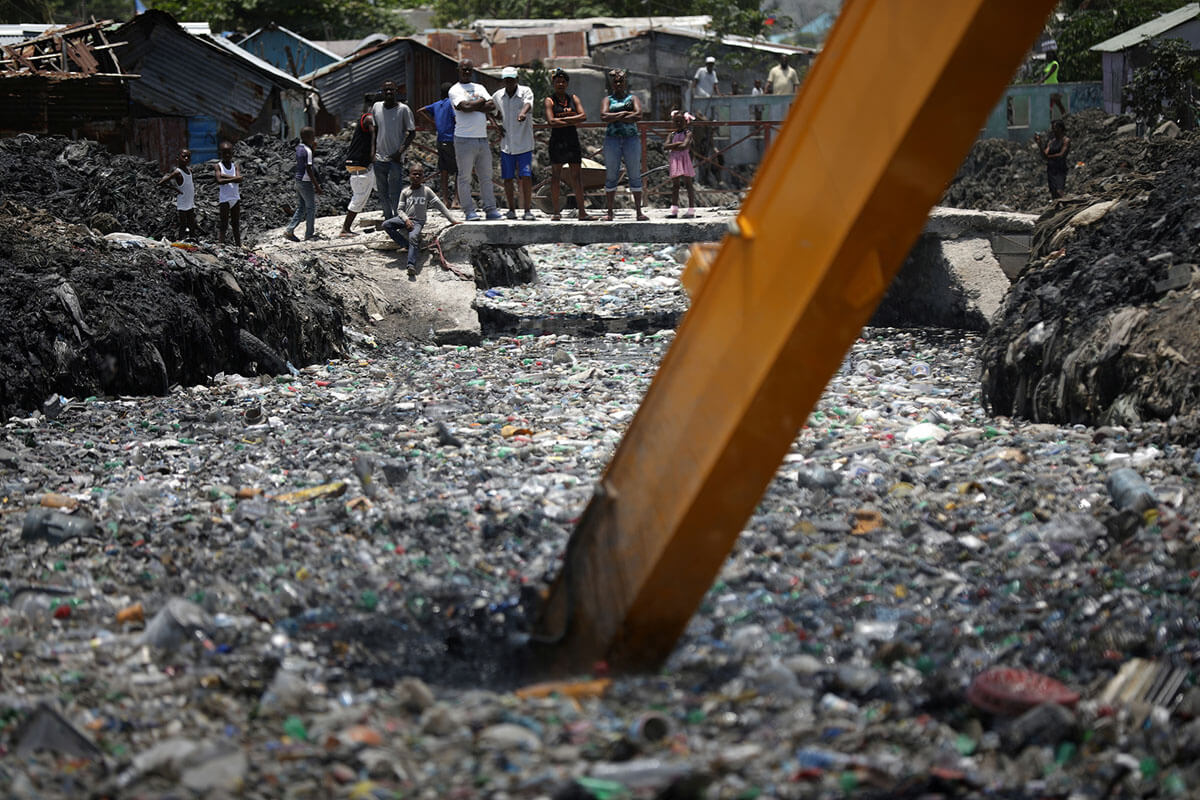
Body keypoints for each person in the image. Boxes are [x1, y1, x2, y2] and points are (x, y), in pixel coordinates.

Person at [448, 58, 502, 221]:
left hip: (482, 138)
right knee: (465, 177)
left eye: (469, 70)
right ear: (458, 70)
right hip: (464, 139)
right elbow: (463, 107)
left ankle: (490, 209)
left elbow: (491, 105)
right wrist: (479, 103)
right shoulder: (454, 90)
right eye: (463, 69)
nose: (466, 72)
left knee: (486, 176)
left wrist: (473, 105)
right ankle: (469, 210)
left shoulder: (480, 87)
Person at [382, 164, 459, 276]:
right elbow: (399, 210)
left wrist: (452, 220)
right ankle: (406, 245)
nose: (417, 176)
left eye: (420, 174)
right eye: (414, 174)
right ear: (410, 176)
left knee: (413, 237)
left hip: (418, 221)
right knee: (386, 225)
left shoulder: (427, 191)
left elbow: (440, 206)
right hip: (404, 219)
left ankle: (411, 265)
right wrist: (406, 220)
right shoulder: (405, 192)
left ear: (423, 176)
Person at [543, 67, 595, 221]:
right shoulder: (549, 100)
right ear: (553, 83)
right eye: (557, 81)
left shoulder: (573, 98)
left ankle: (582, 212)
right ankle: (556, 212)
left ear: (567, 83)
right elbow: (551, 121)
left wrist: (563, 120)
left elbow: (583, 116)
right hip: (557, 141)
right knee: (556, 176)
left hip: (572, 140)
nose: (560, 84)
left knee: (577, 176)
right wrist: (572, 118)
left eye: (563, 81)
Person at [601, 68, 648, 222]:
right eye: (616, 82)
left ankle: (639, 212)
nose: (619, 84)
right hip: (612, 140)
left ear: (625, 82)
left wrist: (615, 116)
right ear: (612, 84)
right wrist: (625, 115)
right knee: (611, 175)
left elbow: (638, 115)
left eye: (621, 81)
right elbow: (603, 116)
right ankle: (609, 212)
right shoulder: (608, 99)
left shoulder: (632, 98)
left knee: (634, 174)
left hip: (631, 139)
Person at [491, 66, 536, 220]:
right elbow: (490, 109)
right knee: (508, 178)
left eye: (512, 79)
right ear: (504, 80)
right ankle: (511, 210)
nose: (509, 82)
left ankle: (527, 210)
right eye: (507, 80)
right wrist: (495, 125)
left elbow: (528, 104)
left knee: (526, 177)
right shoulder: (498, 95)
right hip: (507, 144)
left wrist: (523, 114)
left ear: (517, 79)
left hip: (523, 143)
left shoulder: (525, 91)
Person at [372, 80, 416, 220]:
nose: (389, 92)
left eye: (391, 90)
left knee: (395, 192)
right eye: (386, 90)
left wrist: (400, 152)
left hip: (395, 159)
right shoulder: (376, 107)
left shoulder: (403, 109)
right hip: (379, 158)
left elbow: (412, 133)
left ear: (396, 91)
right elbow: (374, 130)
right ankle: (388, 218)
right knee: (382, 191)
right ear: (382, 92)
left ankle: (397, 218)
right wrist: (372, 153)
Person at [340, 94, 376, 237]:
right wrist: (374, 155)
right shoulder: (369, 119)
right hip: (360, 167)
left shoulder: (363, 118)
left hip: (361, 166)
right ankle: (345, 229)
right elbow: (374, 136)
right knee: (359, 198)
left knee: (385, 188)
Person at [418, 83, 458, 209]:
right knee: (459, 170)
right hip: (452, 139)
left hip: (440, 140)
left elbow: (420, 111)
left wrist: (434, 123)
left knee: (444, 170)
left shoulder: (437, 104)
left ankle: (445, 199)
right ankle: (456, 200)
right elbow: (457, 119)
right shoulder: (451, 104)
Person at [285, 126, 323, 241]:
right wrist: (317, 186)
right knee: (311, 208)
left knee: (301, 207)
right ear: (308, 137)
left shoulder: (300, 148)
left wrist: (313, 149)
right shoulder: (308, 150)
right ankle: (309, 234)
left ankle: (289, 230)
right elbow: (309, 169)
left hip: (298, 180)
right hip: (306, 182)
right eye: (313, 136)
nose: (314, 138)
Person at [157, 148, 197, 241]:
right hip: (182, 200)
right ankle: (180, 240)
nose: (186, 158)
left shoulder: (189, 170)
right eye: (184, 156)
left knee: (192, 222)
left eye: (188, 157)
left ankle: (193, 239)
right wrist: (175, 189)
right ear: (178, 158)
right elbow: (161, 183)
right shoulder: (177, 172)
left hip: (189, 200)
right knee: (183, 223)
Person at [665, 110, 697, 218]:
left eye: (680, 121)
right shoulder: (672, 134)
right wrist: (678, 144)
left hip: (685, 159)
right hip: (675, 160)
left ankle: (691, 209)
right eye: (676, 121)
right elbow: (665, 146)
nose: (678, 123)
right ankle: (674, 210)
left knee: (688, 184)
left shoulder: (688, 133)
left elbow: (685, 146)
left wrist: (673, 145)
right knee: (675, 185)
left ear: (685, 121)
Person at [214, 140, 242, 246]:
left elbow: (239, 179)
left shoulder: (235, 165)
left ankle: (239, 245)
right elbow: (219, 181)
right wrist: (234, 178)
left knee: (236, 224)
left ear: (232, 153)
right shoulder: (218, 166)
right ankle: (220, 245)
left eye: (229, 152)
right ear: (220, 153)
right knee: (223, 224)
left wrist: (225, 176)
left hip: (235, 198)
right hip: (225, 199)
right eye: (224, 152)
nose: (227, 155)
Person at [1034, 119, 1070, 199]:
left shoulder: (1065, 140)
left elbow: (1061, 154)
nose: (1053, 130)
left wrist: (1049, 157)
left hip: (1060, 169)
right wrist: (1040, 145)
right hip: (1051, 169)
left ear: (1060, 128)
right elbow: (1044, 155)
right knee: (1053, 192)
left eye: (1055, 128)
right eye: (1053, 128)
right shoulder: (1051, 142)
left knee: (1059, 190)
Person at [1042, 48, 1066, 118]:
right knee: (1049, 105)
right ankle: (1049, 120)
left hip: (1053, 86)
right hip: (1047, 87)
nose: (1049, 55)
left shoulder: (1055, 64)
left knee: (1058, 103)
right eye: (1047, 54)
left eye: (1050, 53)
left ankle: (1065, 116)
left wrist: (1040, 81)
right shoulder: (1048, 64)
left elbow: (1049, 74)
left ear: (1053, 54)